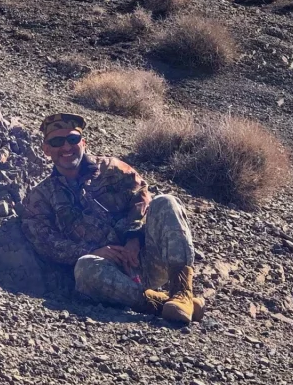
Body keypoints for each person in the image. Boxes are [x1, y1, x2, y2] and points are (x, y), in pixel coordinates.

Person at [20, 112, 204, 323]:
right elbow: (44, 241)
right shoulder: (40, 196)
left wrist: (133, 238)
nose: (66, 147)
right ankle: (161, 304)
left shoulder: (113, 169)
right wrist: (93, 252)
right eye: (56, 141)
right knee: (84, 268)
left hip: (144, 259)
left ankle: (182, 292)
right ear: (46, 149)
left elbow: (142, 197)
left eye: (72, 139)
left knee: (166, 202)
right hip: (107, 273)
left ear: (83, 142)